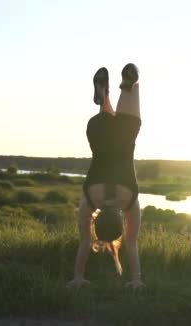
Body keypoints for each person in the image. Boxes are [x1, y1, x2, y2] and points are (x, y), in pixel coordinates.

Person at [67, 63, 144, 291]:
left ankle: (127, 84)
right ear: (96, 223)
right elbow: (84, 242)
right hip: (98, 131)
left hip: (125, 133)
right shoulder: (90, 200)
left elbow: (130, 243)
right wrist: (77, 277)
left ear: (121, 221)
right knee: (107, 133)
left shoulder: (130, 202)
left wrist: (137, 279)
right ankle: (104, 96)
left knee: (132, 89)